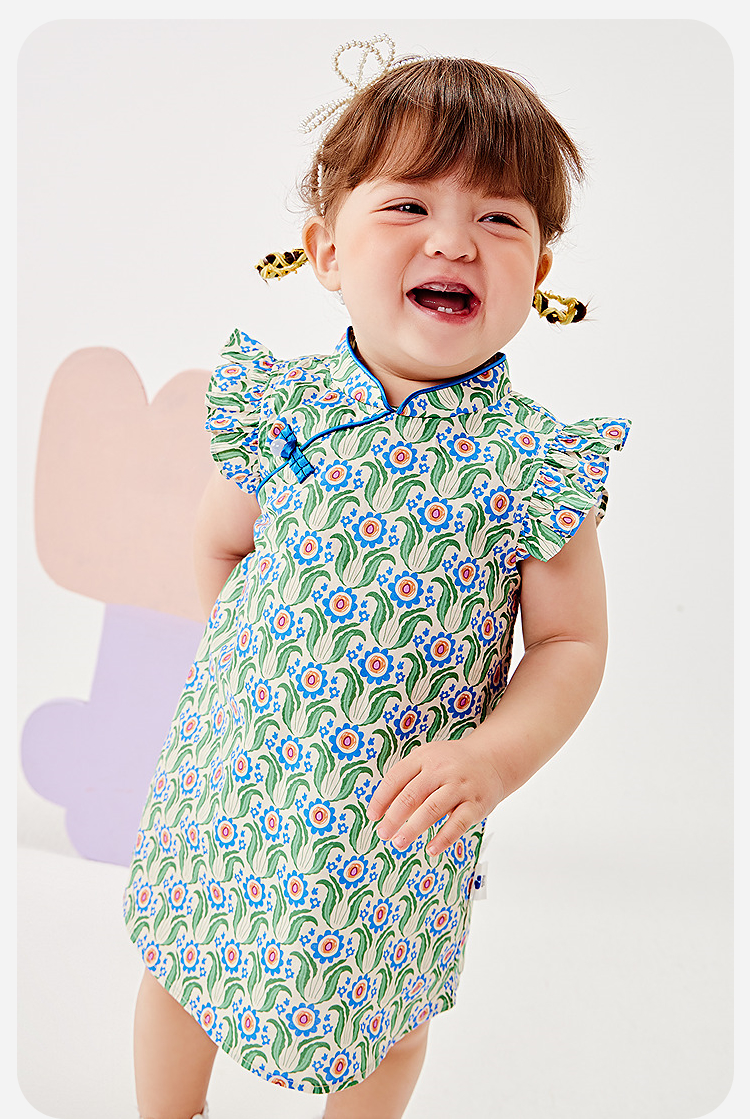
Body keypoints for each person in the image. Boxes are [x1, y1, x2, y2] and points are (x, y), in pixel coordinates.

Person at [123, 34, 630, 1119]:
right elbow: (221, 546)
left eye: (500, 219)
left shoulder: (531, 463)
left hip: (401, 814)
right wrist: (246, 681)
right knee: (183, 960)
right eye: (408, 205)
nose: (454, 239)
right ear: (326, 249)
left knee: (385, 1023)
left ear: (539, 276)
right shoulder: (287, 409)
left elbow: (571, 645)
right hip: (238, 779)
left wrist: (493, 756)